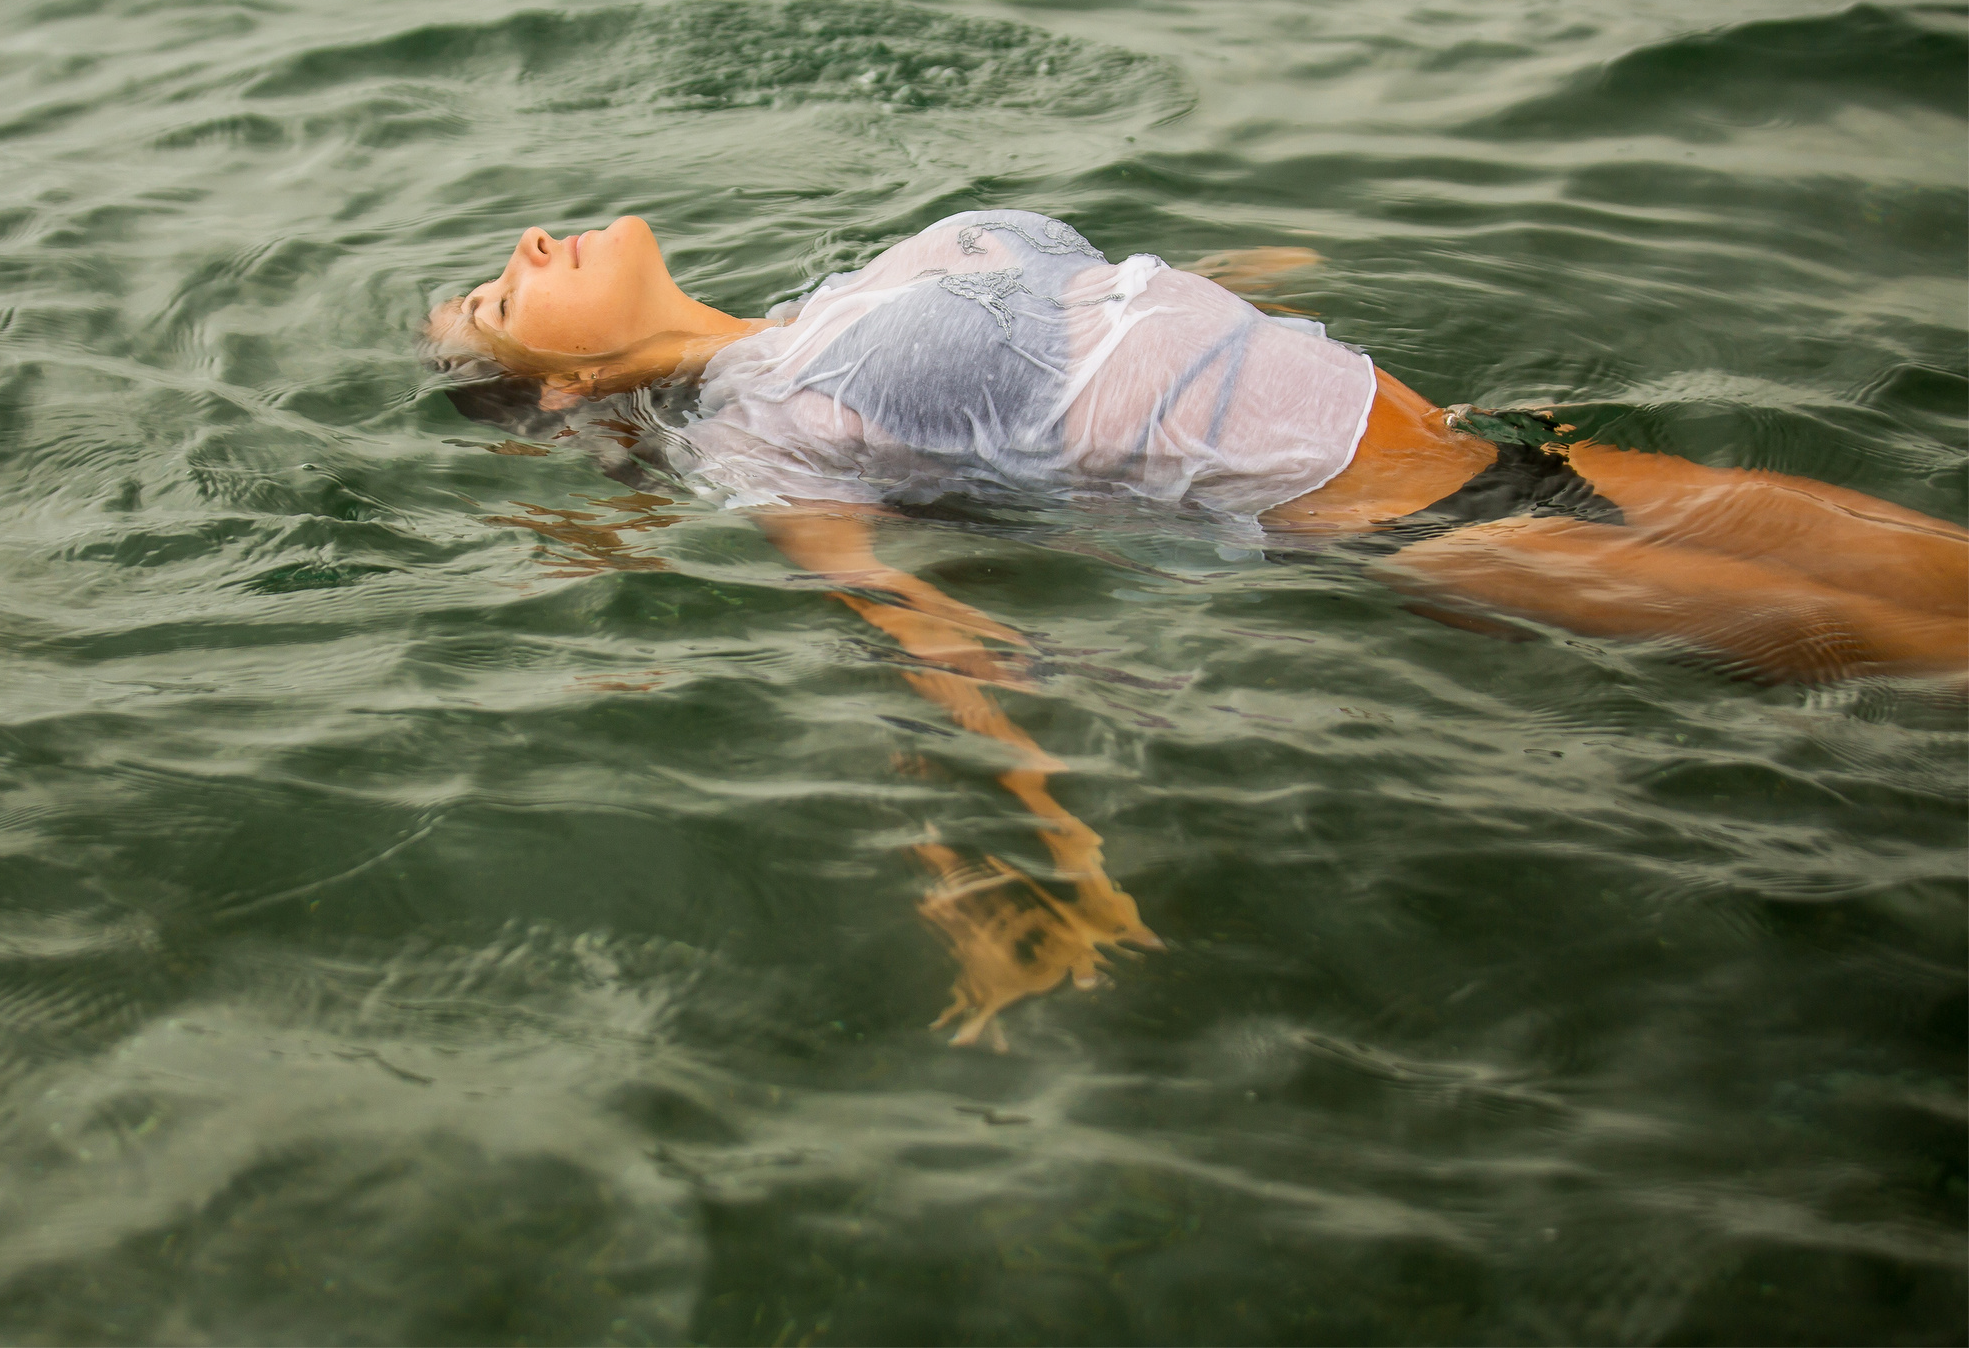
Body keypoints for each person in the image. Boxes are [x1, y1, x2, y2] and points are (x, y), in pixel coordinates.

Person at [425, 210, 1967, 1045]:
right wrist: (1042, 859)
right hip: (1402, 521)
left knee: (1921, 568)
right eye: (502, 301)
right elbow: (922, 636)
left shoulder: (824, 301)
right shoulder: (760, 443)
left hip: (1467, 443)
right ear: (568, 392)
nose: (526, 252)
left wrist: (1249, 277)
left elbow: (1096, 322)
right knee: (1866, 627)